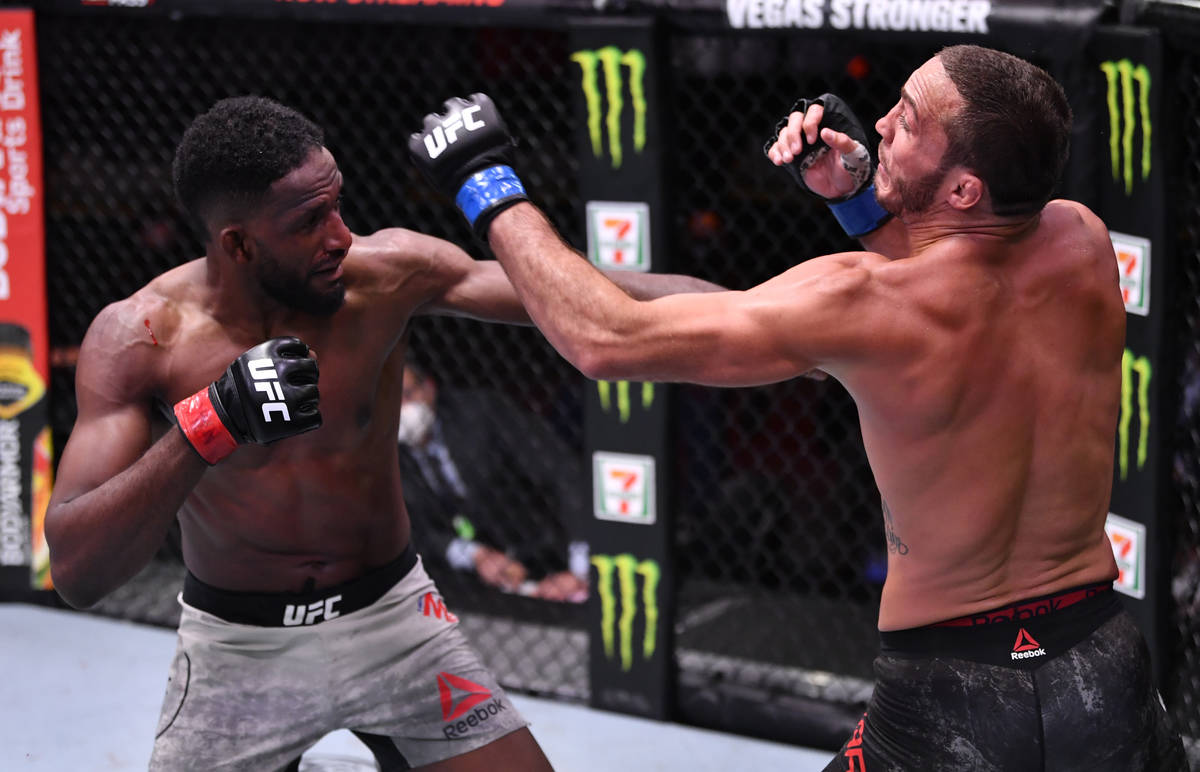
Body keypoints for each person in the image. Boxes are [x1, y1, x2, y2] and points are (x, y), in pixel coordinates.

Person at [408, 45, 1187, 770]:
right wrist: (861, 200)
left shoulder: (857, 298)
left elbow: (605, 339)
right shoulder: (1081, 241)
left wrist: (487, 180)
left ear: (962, 188)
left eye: (908, 121)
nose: (878, 123)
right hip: (1102, 666)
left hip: (955, 690)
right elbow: (963, 277)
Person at [42, 95, 721, 771]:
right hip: (238, 648)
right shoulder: (142, 338)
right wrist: (205, 428)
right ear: (239, 244)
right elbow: (76, 569)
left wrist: (770, 325)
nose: (341, 235)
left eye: (339, 205)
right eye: (311, 221)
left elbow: (601, 293)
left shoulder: (384, 277)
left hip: (394, 620)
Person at [398, 357, 588, 602]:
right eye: (388, 400)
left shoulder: (481, 414)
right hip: (470, 575)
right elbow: (406, 528)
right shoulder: (386, 449)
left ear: (429, 389)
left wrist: (581, 568)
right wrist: (476, 555)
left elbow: (562, 471)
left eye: (406, 394)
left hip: (548, 546)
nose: (399, 408)